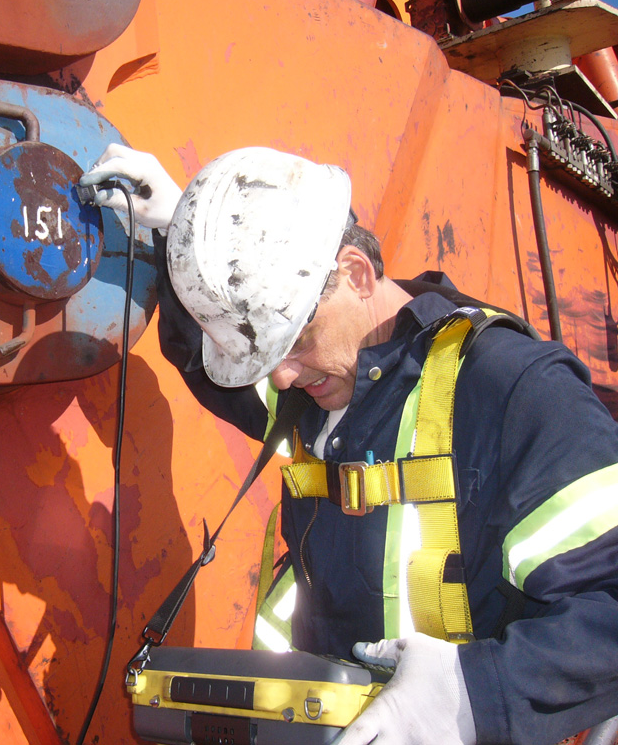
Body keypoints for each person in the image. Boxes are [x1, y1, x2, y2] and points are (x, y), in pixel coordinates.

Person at [80, 144, 618, 745]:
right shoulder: (320, 379)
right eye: (267, 354)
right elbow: (209, 364)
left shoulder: (512, 389)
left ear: (357, 273)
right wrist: (189, 235)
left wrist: (473, 696)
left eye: (297, 339)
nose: (281, 378)